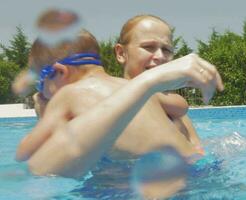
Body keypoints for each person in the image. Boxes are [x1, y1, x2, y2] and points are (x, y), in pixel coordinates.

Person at [15, 28, 223, 178]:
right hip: (198, 167)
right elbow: (180, 107)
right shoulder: (130, 87)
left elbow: (28, 154)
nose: (41, 92)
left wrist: (42, 112)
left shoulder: (67, 94)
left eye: (40, 83)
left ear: (59, 72)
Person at [114, 15, 203, 151]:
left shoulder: (174, 111)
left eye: (166, 50)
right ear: (121, 53)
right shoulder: (109, 102)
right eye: (148, 47)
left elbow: (199, 153)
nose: (160, 56)